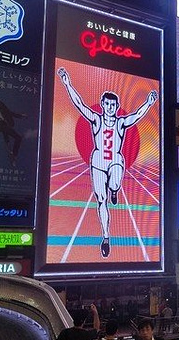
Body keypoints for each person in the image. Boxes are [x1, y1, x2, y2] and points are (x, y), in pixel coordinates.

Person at [58, 68, 158, 258]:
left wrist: (148, 103)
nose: (110, 107)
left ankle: (114, 190)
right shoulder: (96, 120)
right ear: (103, 104)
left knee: (115, 183)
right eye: (107, 104)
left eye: (113, 104)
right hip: (97, 162)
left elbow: (137, 116)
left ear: (117, 106)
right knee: (101, 200)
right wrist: (67, 83)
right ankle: (105, 237)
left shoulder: (120, 123)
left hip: (115, 161)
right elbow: (79, 104)